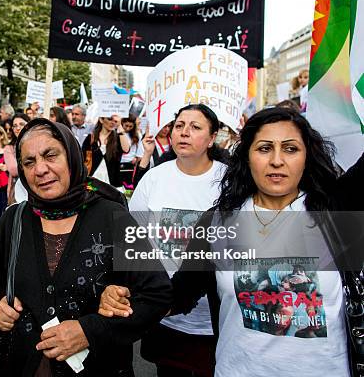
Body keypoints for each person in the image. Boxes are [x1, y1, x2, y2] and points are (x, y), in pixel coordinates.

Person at [100, 107, 357, 376]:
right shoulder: (217, 222)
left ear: (307, 156)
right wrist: (124, 299)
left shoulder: (337, 213)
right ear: (246, 156)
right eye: (264, 148)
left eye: (291, 149)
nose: (277, 160)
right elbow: (179, 293)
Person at [0, 119, 173, 376]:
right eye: (29, 162)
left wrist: (89, 331)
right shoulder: (13, 219)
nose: (40, 169)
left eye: (50, 155)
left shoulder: (113, 216)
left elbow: (157, 295)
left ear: (71, 157)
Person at [122, 104, 226, 377]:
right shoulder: (155, 178)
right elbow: (134, 238)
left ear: (212, 137)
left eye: (195, 127)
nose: (184, 133)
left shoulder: (230, 181)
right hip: (164, 315)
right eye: (179, 125)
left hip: (215, 320)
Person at [81, 115, 130, 187]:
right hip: (92, 183)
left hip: (112, 183)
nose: (112, 122)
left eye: (115, 121)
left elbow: (126, 150)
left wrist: (120, 126)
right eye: (110, 119)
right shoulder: (91, 138)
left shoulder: (118, 138)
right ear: (101, 120)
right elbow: (83, 158)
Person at [4, 112, 30, 204]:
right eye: (15, 125)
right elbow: (14, 170)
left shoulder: (36, 144)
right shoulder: (9, 148)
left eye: (21, 124)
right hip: (18, 192)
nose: (18, 128)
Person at [119, 115, 143, 188]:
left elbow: (140, 151)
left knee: (128, 187)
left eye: (130, 126)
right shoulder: (117, 132)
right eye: (126, 125)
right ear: (122, 123)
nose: (128, 128)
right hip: (117, 163)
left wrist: (136, 159)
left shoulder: (137, 135)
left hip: (130, 164)